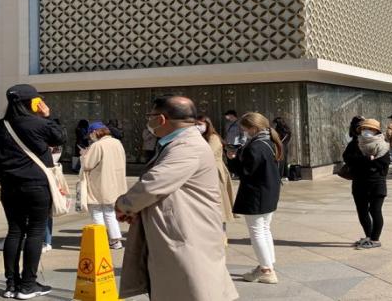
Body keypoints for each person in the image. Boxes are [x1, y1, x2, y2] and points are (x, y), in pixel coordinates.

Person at [115, 95, 238, 301]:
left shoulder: (187, 146)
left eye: (151, 116)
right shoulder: (179, 143)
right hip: (180, 228)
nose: (149, 120)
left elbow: (154, 183)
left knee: (192, 288)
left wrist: (124, 205)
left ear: (161, 119)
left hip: (188, 232)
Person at [0, 84, 65, 299]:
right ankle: (28, 285)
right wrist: (48, 115)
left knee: (14, 231)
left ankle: (11, 284)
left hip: (9, 186)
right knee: (36, 231)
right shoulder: (38, 123)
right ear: (33, 102)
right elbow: (59, 138)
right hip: (36, 185)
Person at [227, 112, 283, 284]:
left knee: (258, 232)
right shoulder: (272, 142)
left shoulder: (256, 146)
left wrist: (233, 159)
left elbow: (245, 172)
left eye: (245, 128)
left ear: (253, 128)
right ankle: (266, 266)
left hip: (256, 194)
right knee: (265, 229)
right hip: (269, 192)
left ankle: (267, 270)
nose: (244, 131)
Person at [342, 118, 390, 249]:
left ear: (376, 131)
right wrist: (368, 159)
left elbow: (383, 164)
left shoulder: (383, 145)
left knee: (375, 210)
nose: (366, 131)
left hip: (377, 183)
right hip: (359, 182)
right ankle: (368, 236)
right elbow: (348, 158)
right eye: (363, 129)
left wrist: (362, 162)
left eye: (369, 129)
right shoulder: (355, 143)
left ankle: (375, 239)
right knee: (362, 211)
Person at [80, 121, 127, 250]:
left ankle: (101, 239)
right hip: (115, 183)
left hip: (99, 183)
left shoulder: (98, 145)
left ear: (94, 132)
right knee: (110, 212)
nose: (90, 137)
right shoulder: (117, 143)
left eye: (90, 134)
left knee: (96, 211)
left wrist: (84, 156)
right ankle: (116, 240)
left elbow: (88, 164)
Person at [196, 115, 235, 244]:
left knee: (220, 204)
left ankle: (222, 236)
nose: (197, 127)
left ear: (208, 124)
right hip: (203, 174)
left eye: (200, 124)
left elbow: (208, 155)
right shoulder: (199, 137)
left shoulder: (213, 137)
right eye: (195, 124)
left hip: (215, 173)